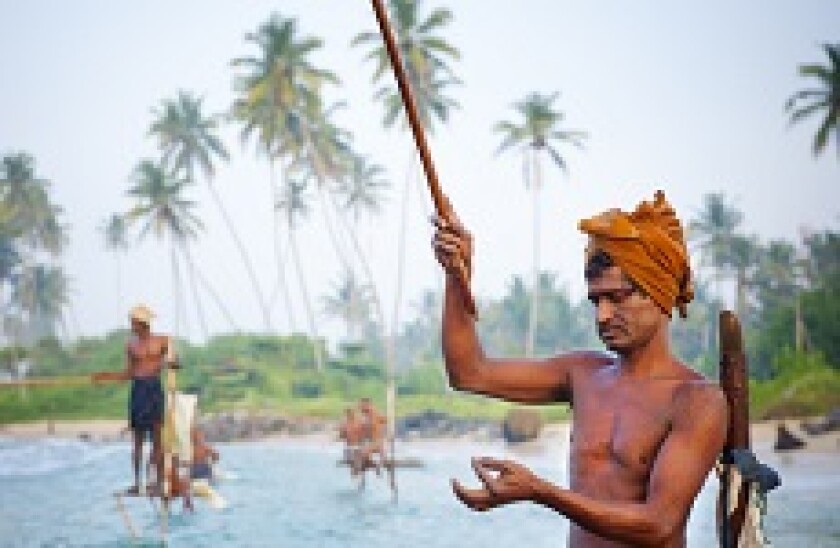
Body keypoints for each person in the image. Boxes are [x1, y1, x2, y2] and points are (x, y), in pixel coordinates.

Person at [432, 190, 728, 547]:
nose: (602, 315)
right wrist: (456, 273)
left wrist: (538, 490)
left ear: (659, 294)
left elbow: (659, 524)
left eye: (617, 298)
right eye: (595, 300)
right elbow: (469, 373)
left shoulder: (697, 401)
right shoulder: (584, 374)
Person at [93, 304, 177, 497]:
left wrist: (168, 362)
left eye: (134, 323)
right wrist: (106, 377)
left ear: (143, 323)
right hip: (138, 390)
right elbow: (129, 373)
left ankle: (156, 482)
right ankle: (137, 483)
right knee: (137, 441)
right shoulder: (131, 345)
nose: (131, 326)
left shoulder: (163, 341)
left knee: (157, 441)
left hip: (154, 389)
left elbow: (176, 362)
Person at [358, 397, 388, 476]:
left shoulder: (374, 414)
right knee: (363, 455)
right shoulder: (365, 416)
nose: (360, 407)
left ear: (368, 405)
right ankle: (375, 466)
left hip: (377, 441)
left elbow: (385, 420)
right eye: (360, 406)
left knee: (364, 453)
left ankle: (378, 465)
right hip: (370, 441)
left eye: (362, 406)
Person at [339, 407, 365, 476]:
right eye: (348, 414)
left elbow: (363, 433)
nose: (349, 415)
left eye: (350, 413)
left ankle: (358, 471)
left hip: (357, 445)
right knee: (351, 461)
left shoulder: (358, 422)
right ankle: (356, 472)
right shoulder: (345, 424)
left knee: (356, 461)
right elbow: (342, 436)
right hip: (350, 446)